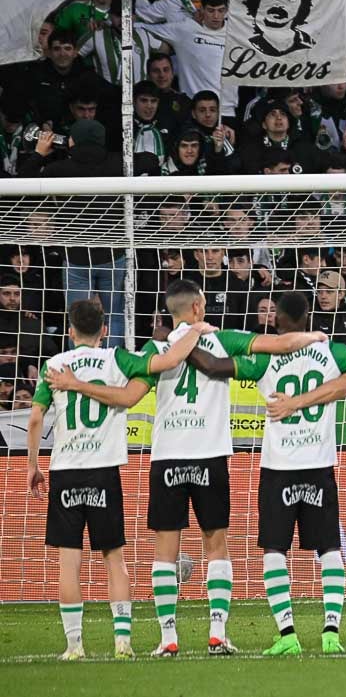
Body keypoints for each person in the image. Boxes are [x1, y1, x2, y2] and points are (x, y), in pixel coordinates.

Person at [88, 279, 321, 656]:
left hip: (168, 457)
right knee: (216, 547)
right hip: (210, 455)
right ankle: (216, 633)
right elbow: (278, 344)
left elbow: (129, 397)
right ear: (197, 307)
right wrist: (313, 336)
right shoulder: (222, 340)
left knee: (165, 551)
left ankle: (168, 638)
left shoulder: (159, 348)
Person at [179, 292, 346, 654]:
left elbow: (211, 366)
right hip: (319, 466)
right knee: (329, 549)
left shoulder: (264, 359)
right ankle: (331, 632)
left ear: (277, 321)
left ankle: (287, 636)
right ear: (308, 317)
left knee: (274, 550)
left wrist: (181, 338)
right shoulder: (334, 352)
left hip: (279, 468)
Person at [26, 299, 212, 661]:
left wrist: (33, 465)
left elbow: (34, 419)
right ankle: (122, 642)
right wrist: (195, 330)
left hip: (65, 471)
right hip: (104, 470)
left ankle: (74, 646)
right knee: (115, 559)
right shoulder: (117, 360)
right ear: (105, 330)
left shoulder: (54, 366)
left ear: (70, 331)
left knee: (69, 561)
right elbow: (168, 361)